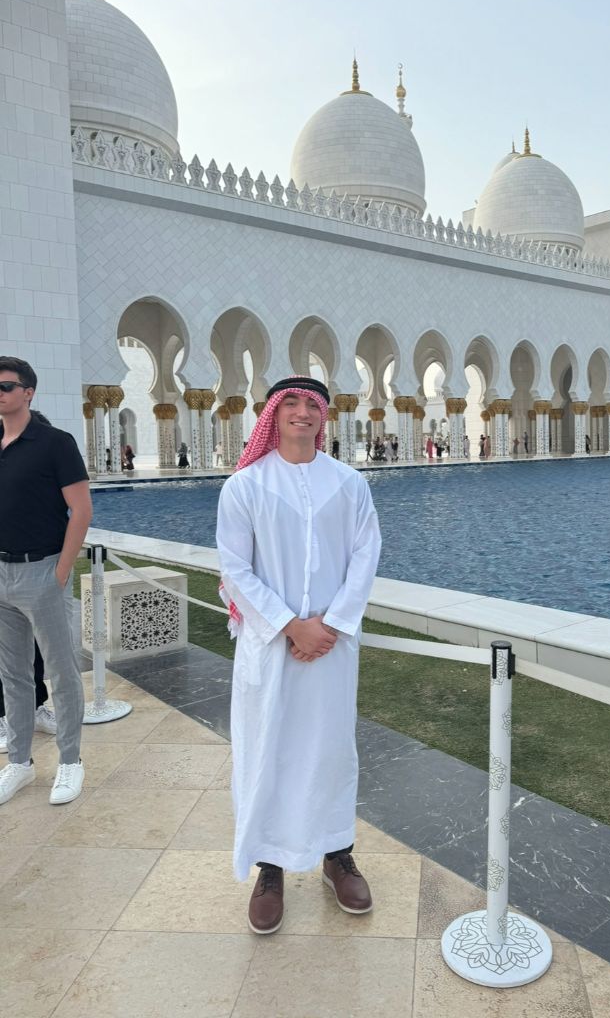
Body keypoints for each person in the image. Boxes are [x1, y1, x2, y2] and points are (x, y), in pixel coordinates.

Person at [216, 375, 381, 936]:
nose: (301, 414)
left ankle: (337, 853)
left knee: (330, 748)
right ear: (272, 415)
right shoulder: (245, 486)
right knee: (269, 746)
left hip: (331, 649)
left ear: (323, 418)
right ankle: (271, 866)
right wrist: (290, 627)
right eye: (289, 405)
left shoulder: (349, 484)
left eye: (311, 406)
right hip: (270, 648)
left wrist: (329, 626)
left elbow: (365, 555)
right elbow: (235, 569)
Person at [0, 357, 91, 806]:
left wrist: (60, 572)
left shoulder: (55, 442)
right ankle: (19, 762)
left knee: (61, 671)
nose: (0, 393)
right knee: (13, 675)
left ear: (28, 392)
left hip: (43, 571)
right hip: (1, 575)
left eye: (6, 386)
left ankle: (70, 761)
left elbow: (82, 510)